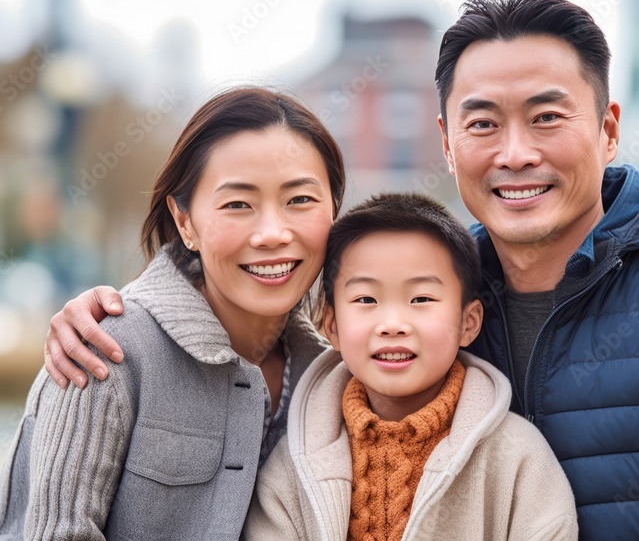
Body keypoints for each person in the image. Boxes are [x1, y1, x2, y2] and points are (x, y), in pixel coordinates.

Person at [43, 0, 639, 540]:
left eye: (547, 116)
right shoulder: (424, 299)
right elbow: (269, 303)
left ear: (607, 128)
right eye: (483, 123)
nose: (516, 153)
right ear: (445, 141)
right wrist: (131, 312)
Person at [0, 87, 346, 540]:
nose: (272, 233)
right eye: (237, 204)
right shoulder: (105, 350)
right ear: (185, 221)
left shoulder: (332, 376)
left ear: (335, 211)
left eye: (300, 200)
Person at [242, 192, 577, 540]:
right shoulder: (296, 461)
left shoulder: (516, 456)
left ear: (469, 322)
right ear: (332, 327)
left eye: (421, 299)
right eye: (366, 299)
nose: (392, 324)